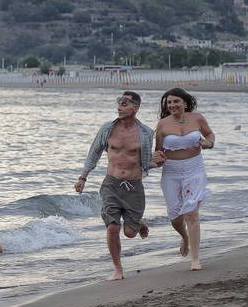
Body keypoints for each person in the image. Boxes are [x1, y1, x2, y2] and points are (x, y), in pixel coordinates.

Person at [74, 91, 164, 280]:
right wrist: (83, 178)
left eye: (124, 104)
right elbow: (94, 153)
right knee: (112, 226)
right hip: (111, 185)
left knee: (130, 233)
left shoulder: (146, 133)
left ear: (135, 108)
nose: (119, 107)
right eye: (118, 103)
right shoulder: (108, 129)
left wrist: (159, 162)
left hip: (134, 187)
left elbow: (145, 162)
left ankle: (137, 224)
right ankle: (117, 268)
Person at [155, 87, 215, 271]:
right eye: (169, 102)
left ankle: (195, 259)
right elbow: (158, 152)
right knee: (175, 216)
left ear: (185, 102)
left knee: (192, 213)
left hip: (194, 169)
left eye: (176, 101)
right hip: (171, 172)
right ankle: (184, 237)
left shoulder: (197, 118)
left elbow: (210, 135)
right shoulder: (162, 124)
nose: (172, 105)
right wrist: (155, 160)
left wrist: (209, 143)